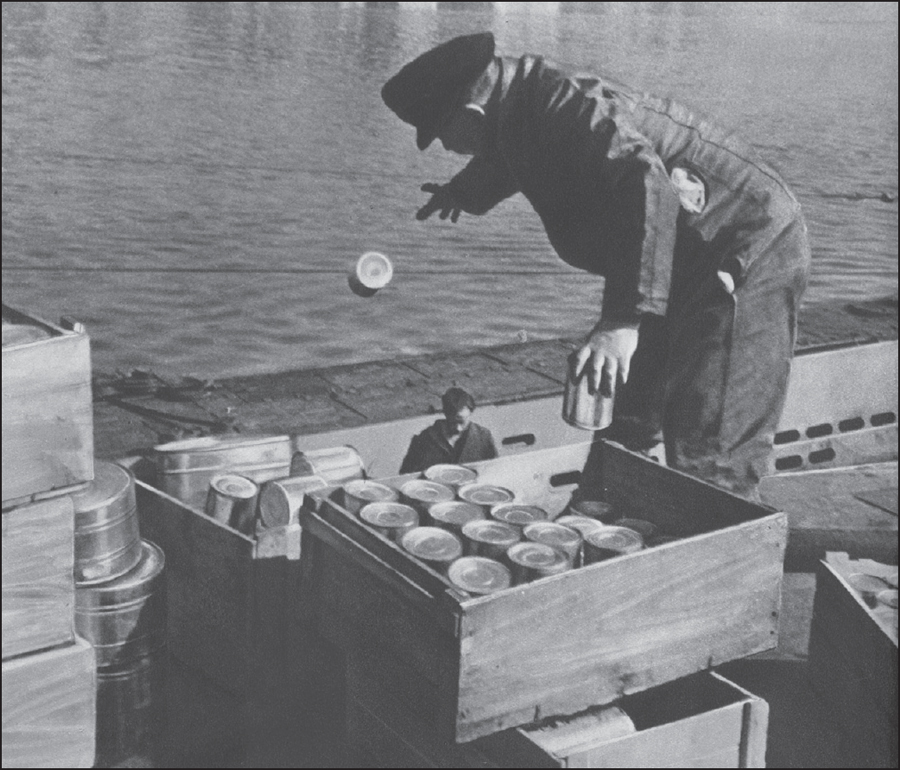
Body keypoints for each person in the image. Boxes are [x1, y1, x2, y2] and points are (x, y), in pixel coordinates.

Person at [382, 32, 811, 499]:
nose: (446, 147)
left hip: (743, 247)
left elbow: (647, 184)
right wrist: (462, 194)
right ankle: (598, 524)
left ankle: (716, 547)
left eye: (442, 135)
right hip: (675, 260)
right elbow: (510, 158)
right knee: (628, 422)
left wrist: (621, 321)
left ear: (470, 111)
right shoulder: (520, 108)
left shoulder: (566, 104)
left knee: (712, 453)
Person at [400, 387, 498, 473]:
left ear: (470, 414)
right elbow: (406, 473)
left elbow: (494, 470)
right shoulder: (424, 439)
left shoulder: (483, 437)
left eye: (462, 422)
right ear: (445, 414)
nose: (458, 428)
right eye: (453, 422)